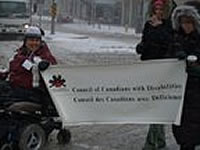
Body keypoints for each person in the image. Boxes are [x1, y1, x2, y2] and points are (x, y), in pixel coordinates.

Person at [136, 0, 174, 149]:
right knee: (153, 106)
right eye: (156, 7)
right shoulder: (148, 24)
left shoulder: (169, 25)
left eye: (161, 7)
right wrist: (140, 48)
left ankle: (152, 143)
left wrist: (160, 28)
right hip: (149, 68)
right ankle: (159, 141)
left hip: (163, 68)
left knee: (156, 106)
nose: (158, 10)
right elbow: (145, 42)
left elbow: (169, 43)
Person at [0, 26, 57, 105]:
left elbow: (52, 65)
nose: (34, 43)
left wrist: (45, 64)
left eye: (37, 40)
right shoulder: (19, 54)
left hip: (32, 93)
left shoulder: (44, 55)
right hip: (14, 88)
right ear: (25, 41)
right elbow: (9, 69)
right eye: (31, 40)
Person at [171, 2, 200, 150]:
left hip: (196, 93)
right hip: (179, 92)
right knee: (181, 129)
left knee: (192, 131)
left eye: (189, 22)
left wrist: (193, 68)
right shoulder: (176, 39)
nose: (186, 26)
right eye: (183, 23)